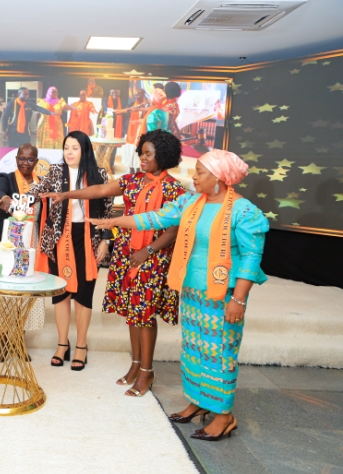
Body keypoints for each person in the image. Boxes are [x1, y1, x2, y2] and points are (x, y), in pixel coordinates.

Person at [90, 149, 268, 441]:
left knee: (219, 353)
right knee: (194, 348)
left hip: (224, 296)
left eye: (200, 173)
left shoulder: (244, 211)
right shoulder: (191, 202)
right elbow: (155, 218)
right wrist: (116, 222)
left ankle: (224, 416)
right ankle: (199, 402)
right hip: (193, 291)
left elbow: (251, 257)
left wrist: (238, 300)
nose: (194, 177)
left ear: (219, 178)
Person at [45, 130, 185, 397]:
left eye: (148, 154)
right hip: (126, 254)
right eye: (141, 153)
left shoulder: (174, 189)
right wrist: (67, 194)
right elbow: (99, 190)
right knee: (133, 311)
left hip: (152, 256)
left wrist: (148, 250)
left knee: (144, 313)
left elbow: (174, 229)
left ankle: (147, 371)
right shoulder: (132, 180)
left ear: (163, 156)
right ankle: (135, 365)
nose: (142, 158)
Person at [30, 131, 113, 370]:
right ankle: (62, 343)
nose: (69, 152)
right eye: (66, 147)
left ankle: (81, 346)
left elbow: (107, 211)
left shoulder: (99, 175)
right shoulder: (55, 172)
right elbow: (36, 192)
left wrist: (106, 240)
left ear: (84, 150)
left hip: (88, 239)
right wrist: (11, 200)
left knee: (84, 294)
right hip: (59, 239)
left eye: (74, 148)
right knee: (61, 293)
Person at [0, 144, 47, 351]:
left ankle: (18, 340)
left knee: (25, 292)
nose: (26, 163)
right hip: (5, 241)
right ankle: (2, 339)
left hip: (30, 242)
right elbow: (0, 192)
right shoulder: (6, 178)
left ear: (36, 162)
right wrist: (5, 198)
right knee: (2, 291)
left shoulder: (41, 184)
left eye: (30, 159)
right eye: (22, 158)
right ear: (16, 159)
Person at [118, 89, 149, 174]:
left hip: (141, 129)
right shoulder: (132, 104)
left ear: (143, 95)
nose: (137, 96)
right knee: (130, 149)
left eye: (139, 94)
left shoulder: (147, 105)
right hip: (130, 130)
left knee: (138, 149)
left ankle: (138, 168)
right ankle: (131, 168)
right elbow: (127, 112)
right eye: (136, 95)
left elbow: (148, 118)